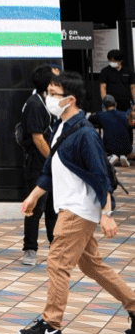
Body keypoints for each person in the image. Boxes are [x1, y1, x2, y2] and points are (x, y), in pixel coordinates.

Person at [18, 71, 135, 334]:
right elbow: (50, 170)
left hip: (78, 210)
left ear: (69, 99)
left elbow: (100, 175)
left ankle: (51, 324)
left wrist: (106, 213)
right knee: (92, 265)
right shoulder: (62, 126)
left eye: (52, 93)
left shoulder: (85, 134)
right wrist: (33, 197)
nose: (47, 97)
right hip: (71, 208)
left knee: (57, 263)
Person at [20, 65, 60, 267]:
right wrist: (53, 160)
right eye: (55, 79)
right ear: (48, 83)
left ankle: (56, 247)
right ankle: (29, 249)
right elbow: (38, 138)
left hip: (49, 162)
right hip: (39, 164)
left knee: (54, 208)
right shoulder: (34, 104)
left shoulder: (48, 102)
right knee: (35, 208)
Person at [93, 95, 133, 167]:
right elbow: (131, 124)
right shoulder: (124, 115)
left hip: (109, 148)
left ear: (104, 106)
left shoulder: (101, 115)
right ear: (115, 104)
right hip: (127, 148)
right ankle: (123, 156)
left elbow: (90, 118)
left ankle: (111, 157)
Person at [98, 50, 135, 116]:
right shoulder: (105, 71)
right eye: (110, 60)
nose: (112, 62)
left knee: (126, 121)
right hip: (111, 103)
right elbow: (102, 87)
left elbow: (133, 87)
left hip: (125, 102)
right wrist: (105, 102)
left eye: (114, 61)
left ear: (120, 60)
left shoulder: (128, 71)